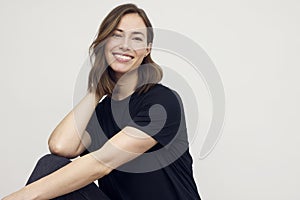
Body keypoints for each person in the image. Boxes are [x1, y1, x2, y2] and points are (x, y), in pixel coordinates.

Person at [2, 3, 201, 200]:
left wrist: (20, 197)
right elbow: (61, 147)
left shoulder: (162, 102)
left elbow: (102, 162)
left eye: (137, 38)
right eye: (116, 35)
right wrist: (96, 89)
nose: (125, 45)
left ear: (147, 49)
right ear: (105, 42)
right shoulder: (103, 111)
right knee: (50, 165)